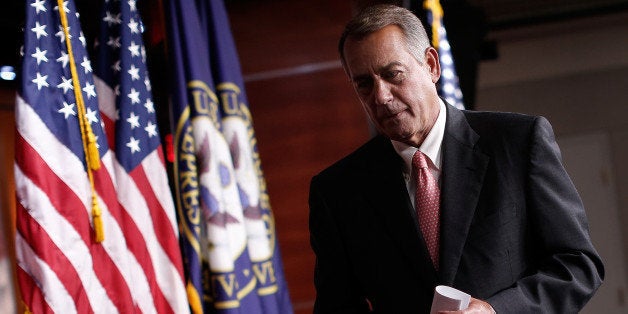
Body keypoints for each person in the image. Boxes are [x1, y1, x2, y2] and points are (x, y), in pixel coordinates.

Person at [308, 4, 604, 313]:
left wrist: (496, 310)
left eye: (393, 74)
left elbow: (578, 266)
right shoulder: (337, 192)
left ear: (432, 65)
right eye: (364, 84)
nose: (381, 96)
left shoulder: (517, 142)